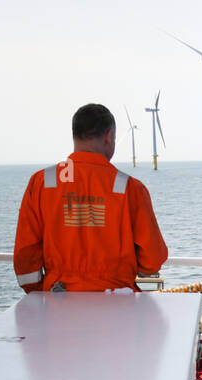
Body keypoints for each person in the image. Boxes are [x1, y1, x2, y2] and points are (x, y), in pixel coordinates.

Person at [13, 103, 168, 293]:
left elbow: (25, 256)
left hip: (58, 301)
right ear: (109, 137)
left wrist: (41, 292)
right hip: (117, 303)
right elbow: (152, 259)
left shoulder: (42, 182)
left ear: (74, 135)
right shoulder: (130, 188)